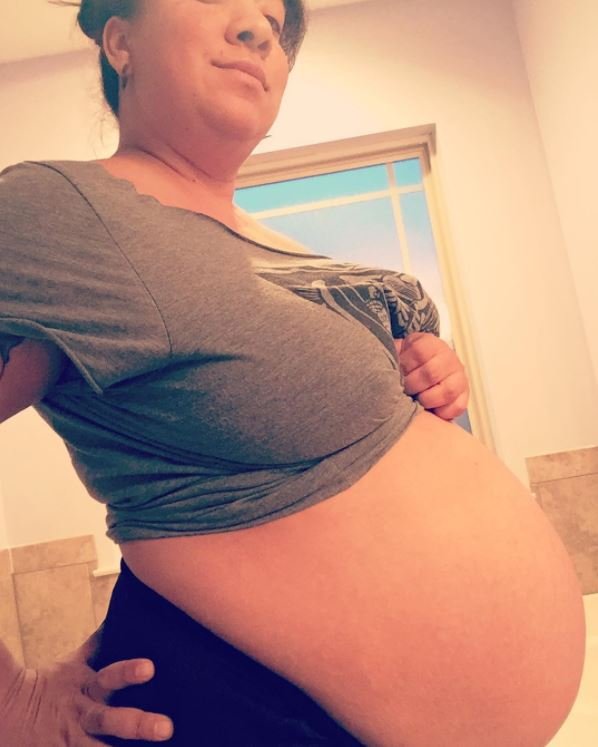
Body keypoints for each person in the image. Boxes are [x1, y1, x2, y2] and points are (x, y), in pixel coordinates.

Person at [0, 0, 586, 745]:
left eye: (275, 22)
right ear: (120, 41)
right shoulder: (60, 211)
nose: (258, 29)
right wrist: (11, 703)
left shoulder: (266, 244)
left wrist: (424, 384)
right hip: (251, 712)